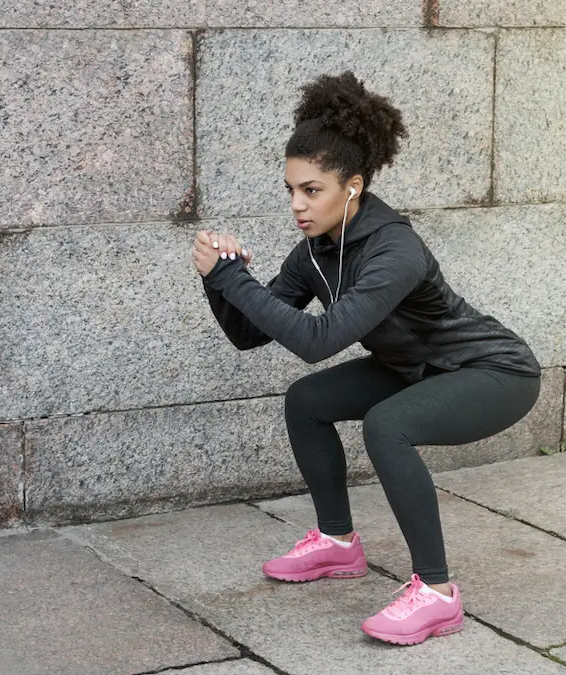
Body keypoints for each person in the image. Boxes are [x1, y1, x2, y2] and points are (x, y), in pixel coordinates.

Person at [191, 71, 542, 646]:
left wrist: (236, 278)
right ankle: (336, 544)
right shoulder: (317, 251)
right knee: (307, 402)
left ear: (352, 187)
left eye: (312, 190)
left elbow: (315, 340)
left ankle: (437, 594)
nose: (298, 205)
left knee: (389, 425)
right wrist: (218, 280)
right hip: (412, 367)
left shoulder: (393, 248)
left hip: (493, 372)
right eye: (291, 190)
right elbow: (249, 336)